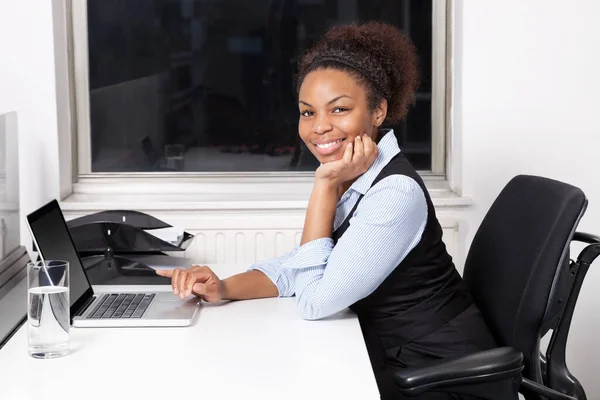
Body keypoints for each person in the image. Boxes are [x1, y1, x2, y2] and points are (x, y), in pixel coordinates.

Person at [156, 22, 517, 400]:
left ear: (379, 111)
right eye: (307, 113)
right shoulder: (359, 174)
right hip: (394, 359)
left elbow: (315, 301)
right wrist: (224, 287)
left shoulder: (393, 192)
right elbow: (302, 266)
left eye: (339, 109)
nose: (320, 127)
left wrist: (324, 185)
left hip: (443, 379)